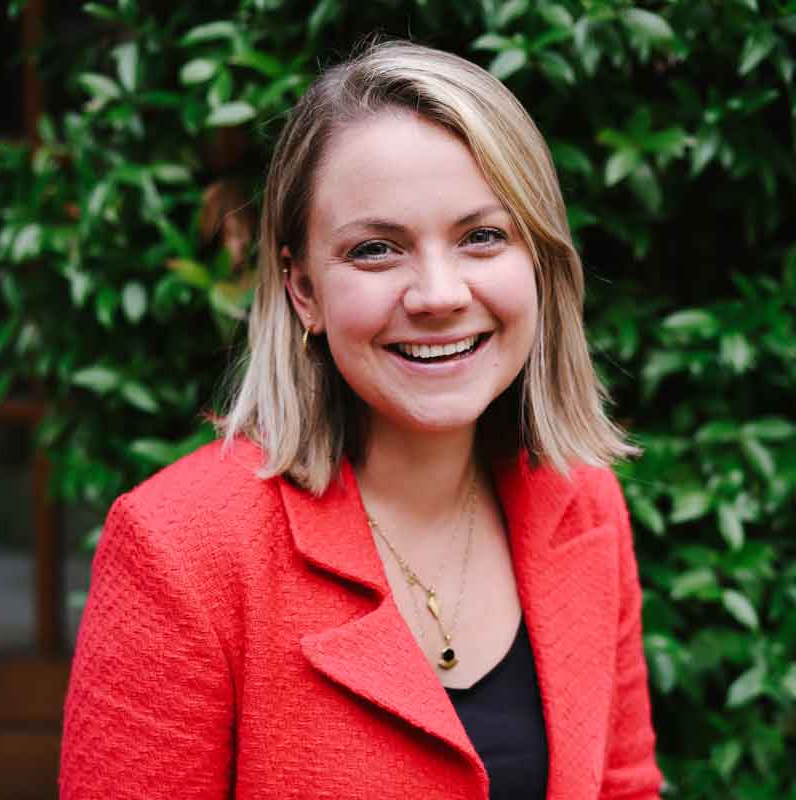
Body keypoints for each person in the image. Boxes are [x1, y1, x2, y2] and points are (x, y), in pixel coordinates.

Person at [59, 39, 662, 800]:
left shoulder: (584, 505)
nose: (439, 294)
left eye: (483, 236)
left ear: (538, 263)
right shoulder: (180, 548)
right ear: (303, 289)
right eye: (377, 249)